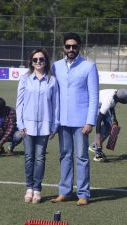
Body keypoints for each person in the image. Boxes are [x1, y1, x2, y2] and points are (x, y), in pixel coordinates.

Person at [50, 32, 99, 206]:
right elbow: (53, 95)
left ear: (79, 47)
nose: (71, 49)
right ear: (63, 47)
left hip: (81, 123)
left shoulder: (89, 67)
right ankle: (64, 191)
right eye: (68, 46)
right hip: (62, 122)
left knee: (82, 157)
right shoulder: (55, 66)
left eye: (74, 46)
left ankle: (83, 194)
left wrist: (90, 121)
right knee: (65, 156)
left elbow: (94, 97)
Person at [16, 48, 59, 204]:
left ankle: (37, 189)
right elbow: (19, 103)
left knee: (40, 158)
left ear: (46, 61)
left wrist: (55, 125)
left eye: (41, 59)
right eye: (35, 60)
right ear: (31, 62)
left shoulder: (52, 80)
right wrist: (19, 124)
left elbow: (56, 105)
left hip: (45, 126)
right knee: (29, 157)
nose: (38, 62)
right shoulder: (25, 79)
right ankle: (29, 187)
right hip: (27, 125)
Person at [89, 89, 127, 162]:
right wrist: (98, 139)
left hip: (102, 102)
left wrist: (114, 119)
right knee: (107, 126)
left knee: (111, 127)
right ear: (122, 100)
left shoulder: (117, 93)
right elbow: (98, 121)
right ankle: (97, 151)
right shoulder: (108, 101)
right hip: (95, 105)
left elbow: (112, 106)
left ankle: (95, 146)